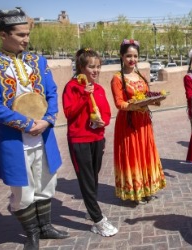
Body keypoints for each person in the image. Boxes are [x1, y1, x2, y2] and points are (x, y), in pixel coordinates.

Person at [0, 8, 69, 249]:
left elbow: (52, 93)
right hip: (13, 140)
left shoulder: (38, 61)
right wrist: (26, 124)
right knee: (23, 192)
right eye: (21, 34)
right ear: (3, 34)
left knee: (46, 184)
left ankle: (45, 227)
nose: (26, 39)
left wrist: (47, 120)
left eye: (27, 34)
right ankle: (31, 233)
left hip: (43, 135)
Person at [62, 48, 118, 236]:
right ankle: (98, 219)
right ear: (81, 67)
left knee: (93, 176)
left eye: (98, 67)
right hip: (80, 139)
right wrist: (84, 95)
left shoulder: (99, 89)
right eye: (91, 67)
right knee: (86, 179)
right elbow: (69, 113)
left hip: (97, 138)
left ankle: (89, 208)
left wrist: (104, 121)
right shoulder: (72, 87)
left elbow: (107, 112)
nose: (96, 70)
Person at [111, 39, 166, 205]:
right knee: (133, 154)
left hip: (144, 122)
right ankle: (135, 191)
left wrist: (157, 99)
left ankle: (147, 188)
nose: (132, 59)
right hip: (129, 123)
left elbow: (148, 96)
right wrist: (136, 105)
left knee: (145, 153)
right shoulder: (117, 78)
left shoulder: (140, 76)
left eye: (135, 56)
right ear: (122, 56)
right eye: (128, 56)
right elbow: (119, 103)